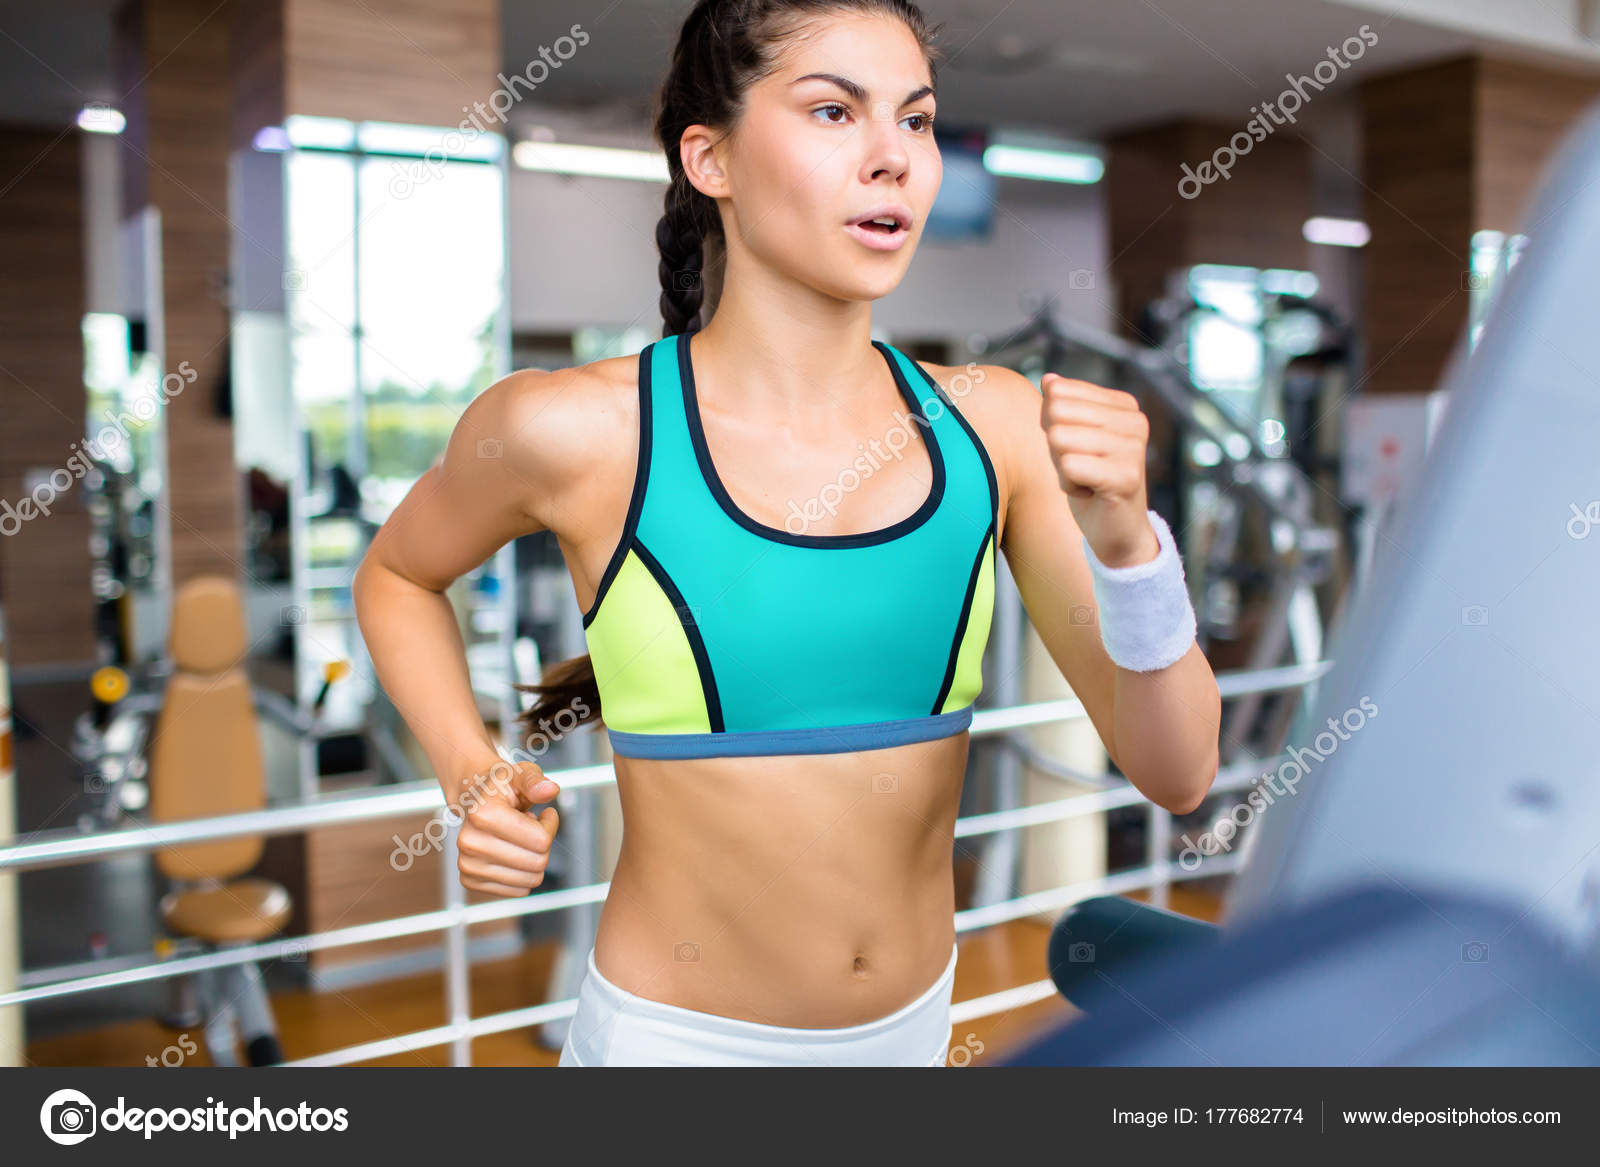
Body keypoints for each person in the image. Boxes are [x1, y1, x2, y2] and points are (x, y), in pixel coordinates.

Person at [352, 0, 1220, 1068]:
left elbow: (1177, 772)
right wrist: (470, 771)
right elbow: (395, 574)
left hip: (916, 1041)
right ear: (708, 159)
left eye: (914, 120)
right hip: (671, 1051)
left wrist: (1133, 549)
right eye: (831, 112)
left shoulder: (994, 427)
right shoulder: (573, 429)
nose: (891, 159)